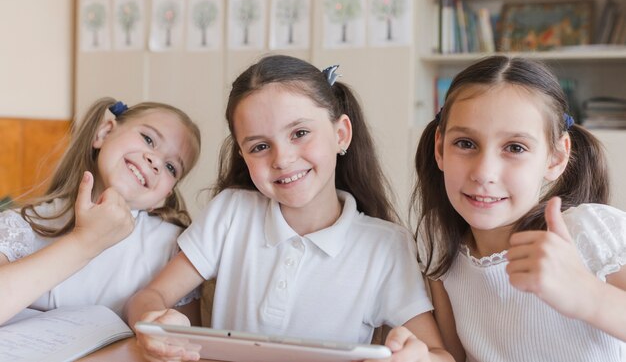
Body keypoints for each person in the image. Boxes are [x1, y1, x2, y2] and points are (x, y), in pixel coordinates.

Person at [127, 55, 453, 362]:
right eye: (260, 146)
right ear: (242, 154)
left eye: (300, 133)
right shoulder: (231, 212)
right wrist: (153, 324)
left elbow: (440, 354)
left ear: (341, 134)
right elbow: (149, 296)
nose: (281, 159)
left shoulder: (386, 246)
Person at [389, 55, 625, 362]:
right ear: (440, 147)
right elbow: (453, 357)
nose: (484, 172)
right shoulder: (438, 238)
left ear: (555, 158)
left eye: (515, 148)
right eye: (465, 143)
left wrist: (589, 296)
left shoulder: (589, 231)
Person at [0, 97, 201, 325]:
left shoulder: (173, 249)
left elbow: (184, 344)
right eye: (148, 139)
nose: (155, 161)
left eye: (171, 167)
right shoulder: (20, 226)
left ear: (164, 196)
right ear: (104, 133)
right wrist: (84, 242)